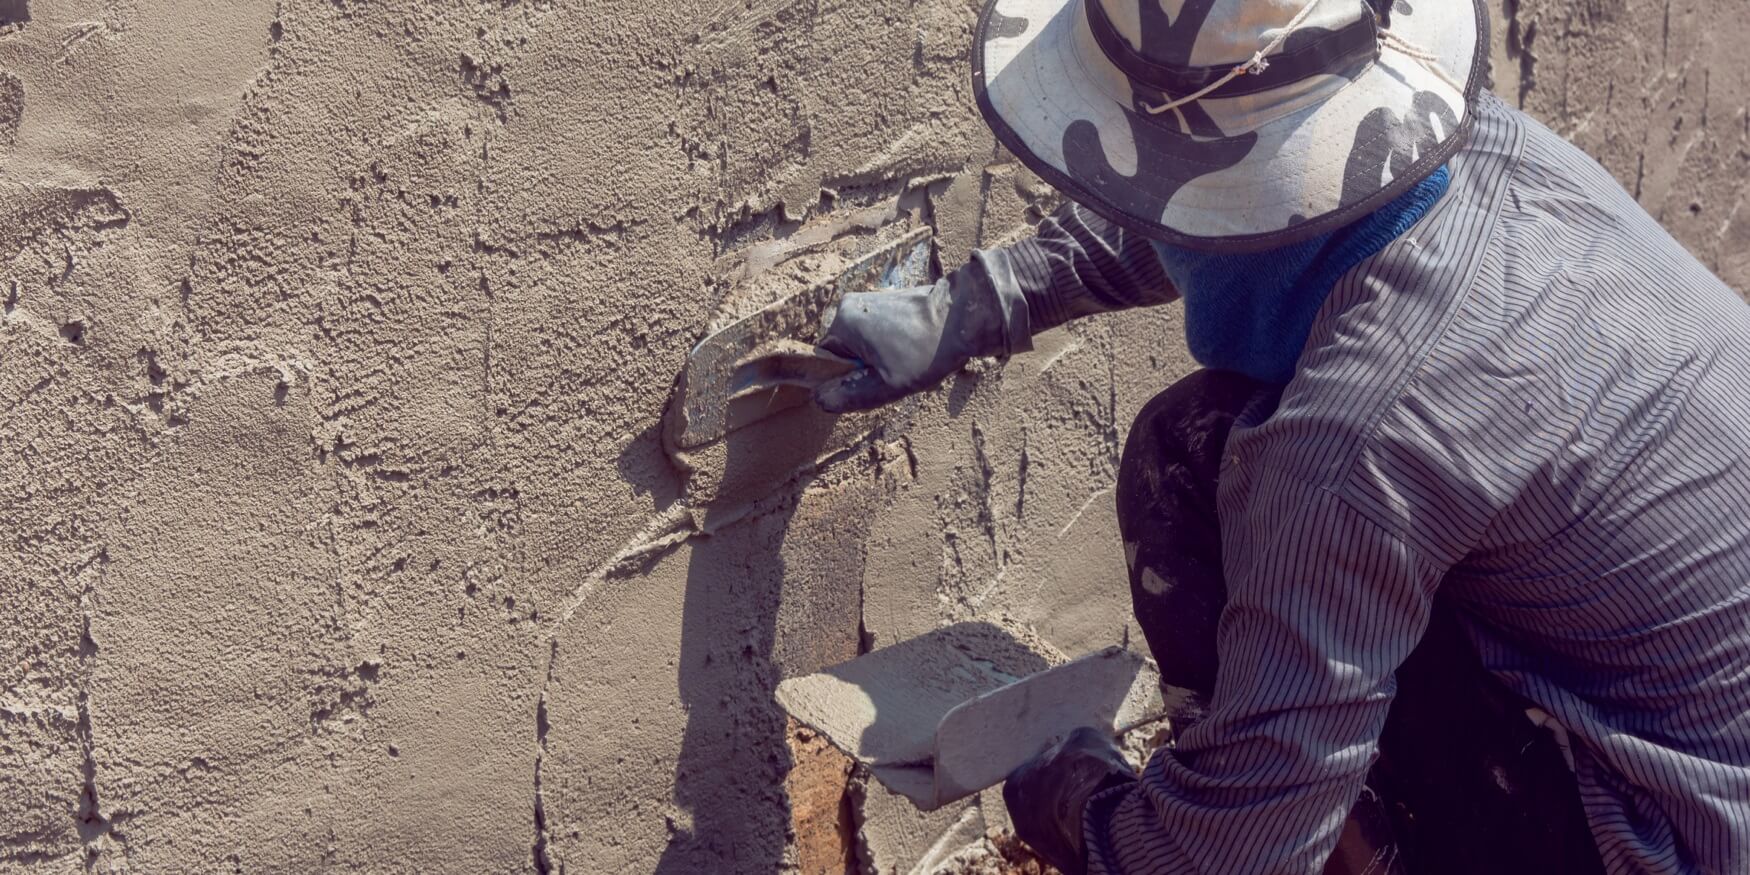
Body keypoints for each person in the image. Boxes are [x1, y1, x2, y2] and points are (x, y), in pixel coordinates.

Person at [811, 0, 1750, 873]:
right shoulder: (1468, 151)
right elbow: (1234, 202)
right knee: (1215, 454)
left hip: (1682, 837)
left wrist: (1086, 809)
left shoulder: (1353, 439)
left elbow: (1222, 856)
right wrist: (991, 298)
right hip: (1696, 724)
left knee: (1192, 478)